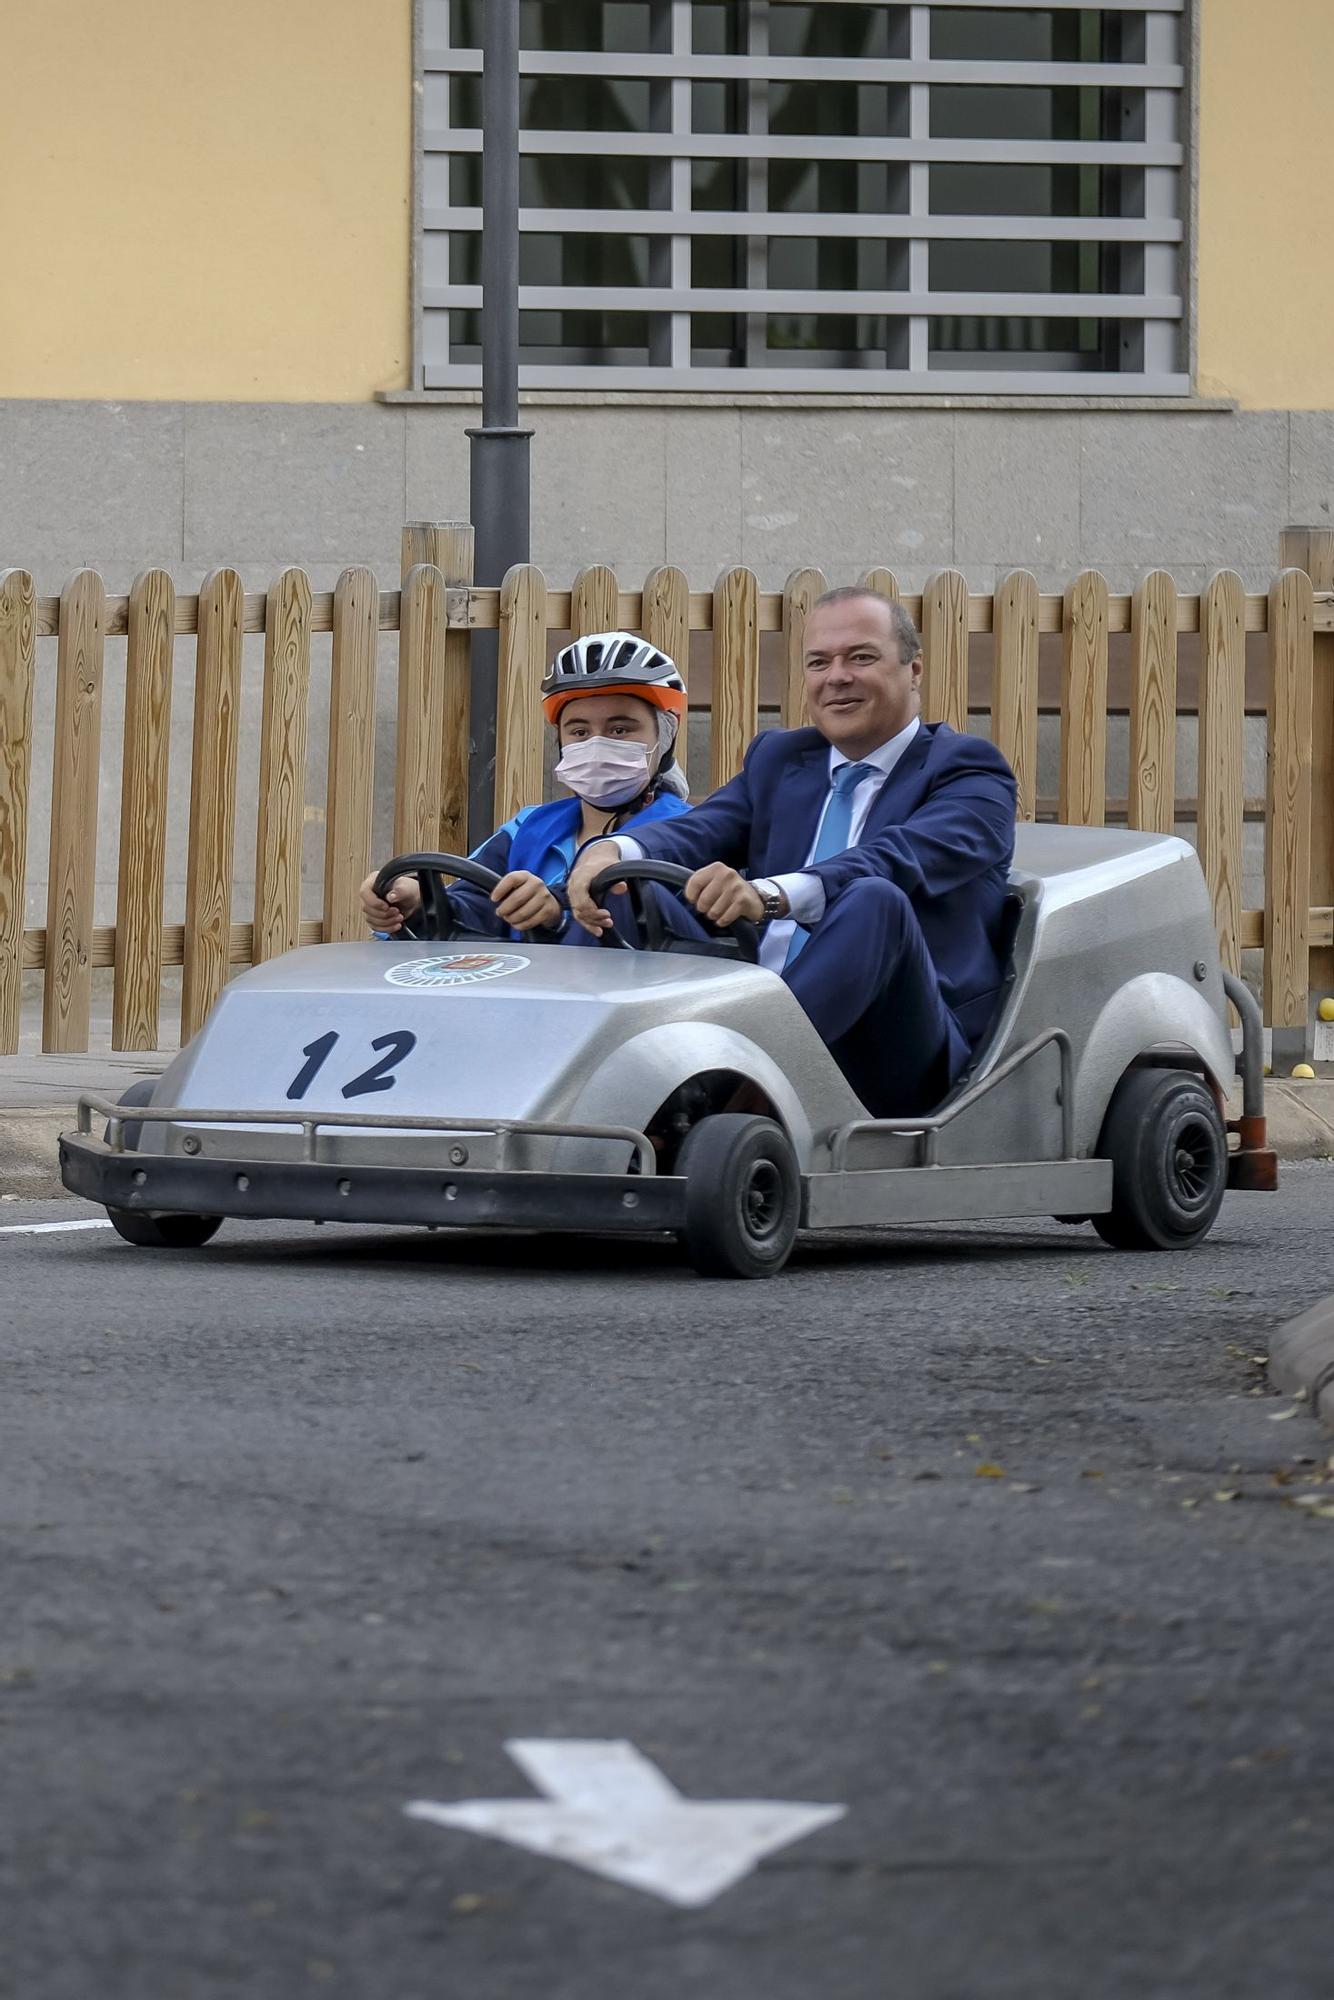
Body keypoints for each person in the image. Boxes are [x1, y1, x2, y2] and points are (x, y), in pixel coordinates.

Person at [566, 587, 1018, 1116]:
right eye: (819, 662)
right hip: (751, 1008)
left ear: (913, 670)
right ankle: (576, 1101)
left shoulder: (970, 771)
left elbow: (898, 858)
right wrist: (610, 849)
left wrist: (771, 895)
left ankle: (726, 1105)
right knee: (621, 889)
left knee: (876, 900)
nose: (837, 677)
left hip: (898, 1046)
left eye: (861, 657)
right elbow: (701, 828)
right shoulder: (782, 758)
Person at [359, 632, 692, 943]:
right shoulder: (528, 827)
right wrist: (415, 903)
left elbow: (679, 942)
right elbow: (475, 902)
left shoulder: (687, 836)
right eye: (579, 732)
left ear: (664, 736)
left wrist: (555, 919)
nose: (597, 745)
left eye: (619, 730)